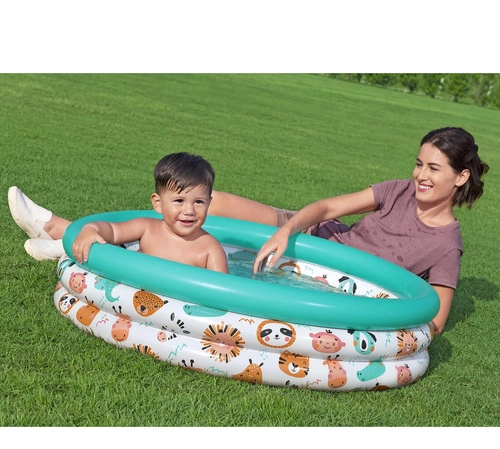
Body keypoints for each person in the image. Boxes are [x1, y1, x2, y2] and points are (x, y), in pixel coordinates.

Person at [8, 127, 489, 334]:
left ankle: (62, 239)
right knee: (207, 203)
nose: (420, 175)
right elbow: (327, 207)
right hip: (314, 236)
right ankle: (66, 232)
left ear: (460, 177)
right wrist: (287, 228)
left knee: (201, 215)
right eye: (418, 163)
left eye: (433, 169)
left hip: (332, 273)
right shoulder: (398, 190)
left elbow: (434, 320)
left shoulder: (446, 245)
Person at [8, 152, 229, 274]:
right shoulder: (147, 228)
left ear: (209, 203)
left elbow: (222, 293)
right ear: (158, 203)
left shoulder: (210, 249)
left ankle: (58, 240)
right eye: (179, 201)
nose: (189, 211)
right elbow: (112, 230)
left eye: (199, 202)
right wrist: (90, 229)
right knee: (103, 246)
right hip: (132, 287)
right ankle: (64, 240)